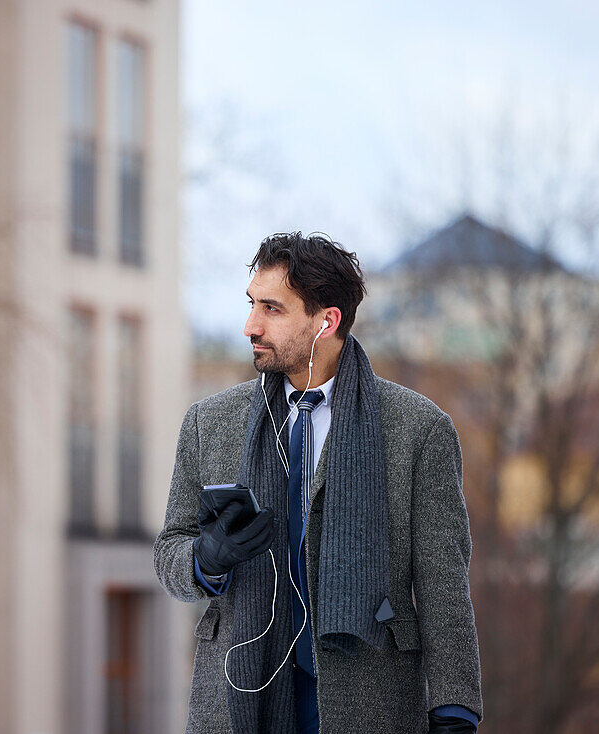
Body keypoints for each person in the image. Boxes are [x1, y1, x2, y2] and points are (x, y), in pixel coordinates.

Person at [154, 232, 483, 733]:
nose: (250, 326)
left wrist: (454, 709)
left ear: (326, 321)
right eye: (251, 304)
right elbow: (168, 554)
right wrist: (205, 558)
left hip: (368, 698)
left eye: (272, 309)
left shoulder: (419, 430)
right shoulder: (210, 423)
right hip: (243, 694)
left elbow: (443, 583)